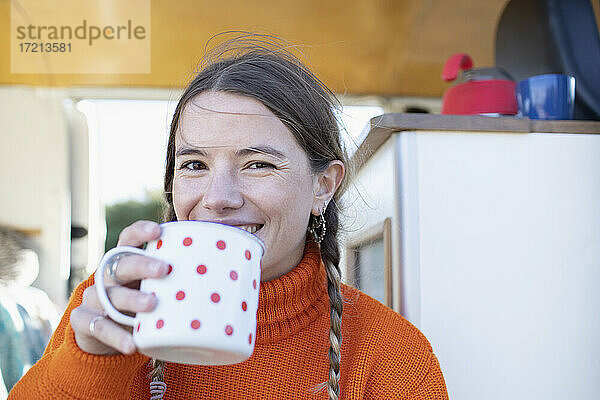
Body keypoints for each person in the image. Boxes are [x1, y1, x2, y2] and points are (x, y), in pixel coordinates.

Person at [9, 33, 448, 399]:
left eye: (258, 163)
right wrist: (88, 362)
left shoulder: (391, 357)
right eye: (194, 164)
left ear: (323, 186)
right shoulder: (112, 309)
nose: (217, 199)